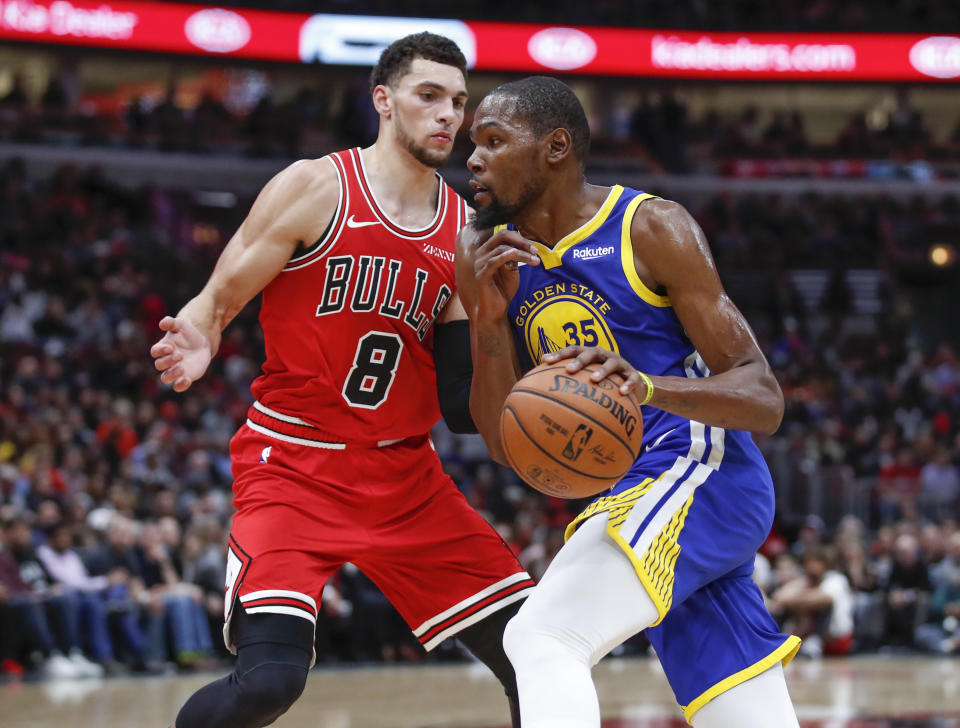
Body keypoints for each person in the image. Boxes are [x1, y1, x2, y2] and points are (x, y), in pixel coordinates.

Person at [150, 33, 533, 728]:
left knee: (536, 654)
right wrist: (202, 331)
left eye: (458, 101)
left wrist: (500, 336)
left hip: (404, 479)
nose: (449, 114)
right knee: (270, 682)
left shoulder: (464, 232)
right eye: (429, 96)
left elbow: (460, 407)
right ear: (383, 101)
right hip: (294, 466)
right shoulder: (316, 186)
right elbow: (224, 288)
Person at [456, 76, 800, 728]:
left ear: (555, 147)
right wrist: (485, 322)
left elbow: (763, 397)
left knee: (543, 637)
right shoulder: (484, 252)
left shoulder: (650, 228)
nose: (473, 159)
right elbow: (505, 446)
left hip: (699, 467)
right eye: (474, 144)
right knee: (747, 715)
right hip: (632, 482)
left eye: (494, 141)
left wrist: (645, 388)